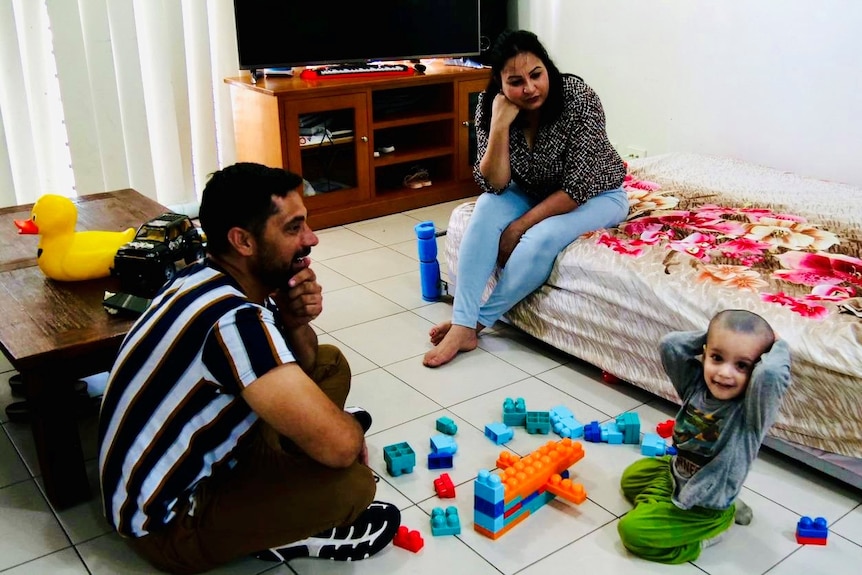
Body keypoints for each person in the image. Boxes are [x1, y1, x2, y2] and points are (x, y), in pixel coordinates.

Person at [97, 163, 400, 574]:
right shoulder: (234, 322)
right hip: (169, 526)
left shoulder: (204, 275)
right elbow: (344, 449)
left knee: (329, 363)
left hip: (181, 466)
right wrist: (345, 434)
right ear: (243, 241)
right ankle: (289, 533)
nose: (311, 240)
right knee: (351, 485)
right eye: (293, 228)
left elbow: (306, 362)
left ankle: (293, 454)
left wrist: (294, 322)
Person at [423, 29, 629, 367]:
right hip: (533, 189)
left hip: (597, 194)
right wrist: (500, 125)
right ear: (500, 83)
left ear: (547, 68)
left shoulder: (579, 99)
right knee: (487, 207)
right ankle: (462, 321)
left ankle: (474, 324)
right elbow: (495, 184)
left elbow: (576, 189)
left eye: (536, 75)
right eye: (516, 81)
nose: (530, 88)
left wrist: (519, 226)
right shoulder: (491, 107)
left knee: (539, 237)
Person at [617, 309, 792, 564]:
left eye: (741, 365)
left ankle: (712, 530)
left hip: (705, 504)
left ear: (756, 369)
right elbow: (671, 346)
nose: (724, 373)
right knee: (630, 479)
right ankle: (666, 509)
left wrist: (778, 344)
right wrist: (712, 335)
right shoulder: (696, 386)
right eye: (717, 357)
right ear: (706, 352)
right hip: (677, 475)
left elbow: (771, 375)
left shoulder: (751, 412)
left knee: (631, 532)